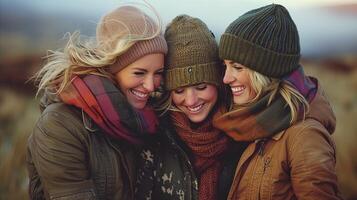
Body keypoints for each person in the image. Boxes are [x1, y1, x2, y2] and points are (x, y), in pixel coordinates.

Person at [26, 5, 167, 200]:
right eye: (139, 73)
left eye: (158, 73)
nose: (151, 86)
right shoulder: (60, 126)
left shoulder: (144, 119)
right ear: (111, 67)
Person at [213, 4, 343, 200]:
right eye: (225, 66)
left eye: (237, 67)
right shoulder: (245, 120)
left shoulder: (305, 136)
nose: (226, 78)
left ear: (266, 72)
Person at [135, 15, 247, 200]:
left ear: (219, 81)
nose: (191, 100)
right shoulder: (154, 139)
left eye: (201, 87)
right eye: (179, 90)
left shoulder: (244, 132)